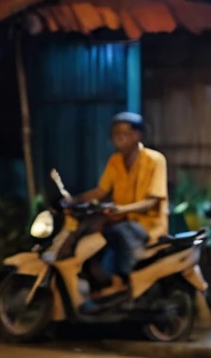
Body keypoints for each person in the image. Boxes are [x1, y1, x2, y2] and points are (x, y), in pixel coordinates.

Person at [70, 112, 169, 294]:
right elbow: (101, 191)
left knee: (117, 232)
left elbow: (152, 201)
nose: (118, 138)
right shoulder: (114, 161)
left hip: (149, 225)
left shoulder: (155, 160)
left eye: (123, 134)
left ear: (137, 135)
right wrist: (74, 200)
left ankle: (124, 282)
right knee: (90, 233)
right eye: (115, 134)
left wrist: (121, 209)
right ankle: (97, 282)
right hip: (122, 219)